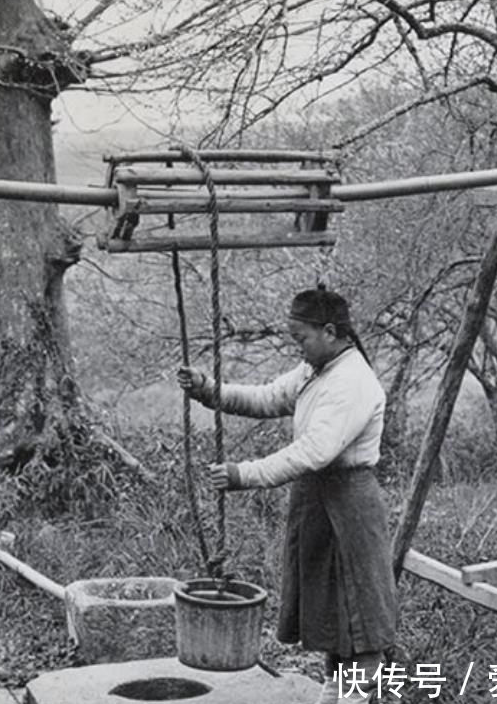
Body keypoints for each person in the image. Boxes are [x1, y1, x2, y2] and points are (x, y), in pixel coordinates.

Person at [177, 287, 397, 704]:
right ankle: (334, 694)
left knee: (361, 618)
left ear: (330, 332)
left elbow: (315, 450)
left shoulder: (352, 381)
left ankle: (353, 696)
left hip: (350, 507)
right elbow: (267, 397)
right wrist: (208, 389)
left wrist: (246, 474)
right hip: (318, 503)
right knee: (335, 620)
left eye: (302, 338)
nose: (299, 348)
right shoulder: (316, 370)